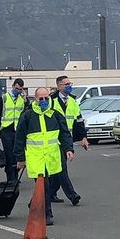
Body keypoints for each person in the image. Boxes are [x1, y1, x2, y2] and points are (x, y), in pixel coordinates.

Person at [15, 88, 74, 225]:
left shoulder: (55, 115)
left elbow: (64, 134)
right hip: (36, 158)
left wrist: (68, 149)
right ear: (35, 99)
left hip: (52, 157)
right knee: (44, 185)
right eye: (40, 99)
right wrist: (20, 158)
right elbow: (19, 138)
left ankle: (33, 204)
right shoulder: (28, 116)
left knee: (46, 185)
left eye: (46, 98)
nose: (44, 101)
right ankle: (47, 213)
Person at [48, 75, 89, 205]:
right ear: (59, 86)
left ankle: (50, 193)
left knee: (57, 170)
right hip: (53, 141)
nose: (69, 86)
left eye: (70, 83)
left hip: (66, 140)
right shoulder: (51, 101)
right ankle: (72, 195)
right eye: (66, 84)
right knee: (61, 167)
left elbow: (79, 120)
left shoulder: (73, 101)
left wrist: (83, 137)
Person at [0, 78, 29, 182]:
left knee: (19, 154)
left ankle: (14, 174)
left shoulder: (22, 99)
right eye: (17, 88)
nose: (18, 91)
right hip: (6, 130)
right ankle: (11, 178)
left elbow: (27, 113)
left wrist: (26, 101)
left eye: (21, 89)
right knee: (9, 155)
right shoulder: (4, 98)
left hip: (19, 130)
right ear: (13, 86)